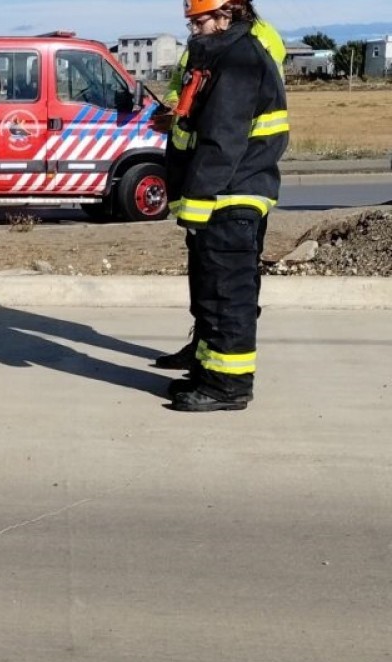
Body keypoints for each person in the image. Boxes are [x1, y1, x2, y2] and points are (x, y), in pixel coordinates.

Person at [161, 0, 288, 412]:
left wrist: (194, 205)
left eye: (200, 21)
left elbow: (221, 140)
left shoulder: (238, 59)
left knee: (227, 297)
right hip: (224, 193)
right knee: (213, 293)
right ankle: (208, 375)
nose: (194, 30)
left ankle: (227, 388)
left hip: (230, 196)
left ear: (226, 16)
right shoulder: (222, 53)